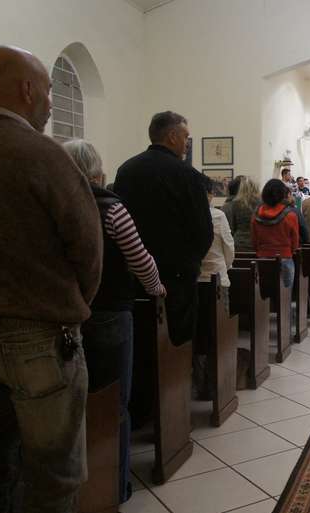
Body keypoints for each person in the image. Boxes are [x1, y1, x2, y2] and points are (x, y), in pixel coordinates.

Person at [0, 45, 103, 513]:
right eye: (51, 90)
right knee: (54, 476)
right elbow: (89, 252)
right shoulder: (44, 155)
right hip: (38, 337)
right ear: (27, 89)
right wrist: (71, 308)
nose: (52, 102)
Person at [64, 139, 165, 504]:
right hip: (109, 312)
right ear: (97, 169)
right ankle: (116, 485)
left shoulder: (54, 203)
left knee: (75, 400)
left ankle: (77, 485)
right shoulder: (111, 207)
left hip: (66, 315)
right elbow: (139, 259)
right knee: (114, 400)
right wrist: (156, 288)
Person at [115, 111, 213, 343]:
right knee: (177, 343)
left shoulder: (126, 170)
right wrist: (189, 263)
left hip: (135, 277)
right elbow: (203, 232)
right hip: (177, 278)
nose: (187, 143)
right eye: (186, 136)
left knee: (143, 344)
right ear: (171, 136)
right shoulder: (187, 175)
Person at [194, 175, 235, 400]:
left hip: (194, 282)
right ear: (210, 194)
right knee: (217, 333)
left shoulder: (185, 214)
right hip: (217, 281)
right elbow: (229, 249)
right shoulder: (217, 215)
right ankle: (214, 384)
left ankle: (199, 384)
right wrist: (223, 267)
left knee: (199, 335)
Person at [251, 179, 300, 287]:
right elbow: (295, 241)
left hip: (263, 257)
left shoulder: (256, 215)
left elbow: (254, 241)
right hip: (284, 256)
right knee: (285, 298)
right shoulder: (290, 215)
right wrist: (289, 251)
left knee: (264, 295)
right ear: (282, 194)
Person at [223, 177, 260, 252]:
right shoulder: (261, 204)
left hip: (239, 244)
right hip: (258, 243)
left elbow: (231, 227)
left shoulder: (235, 204)